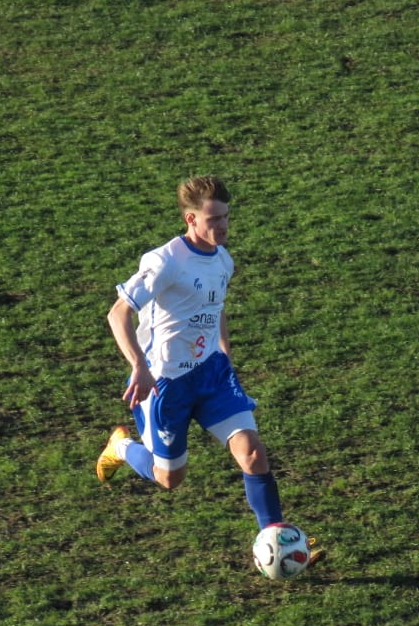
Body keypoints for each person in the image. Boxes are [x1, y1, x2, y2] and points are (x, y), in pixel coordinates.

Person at [96, 175, 302, 544]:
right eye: (213, 219)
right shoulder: (165, 262)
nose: (222, 226)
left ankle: (277, 538)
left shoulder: (223, 260)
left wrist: (225, 353)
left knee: (253, 453)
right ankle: (121, 448)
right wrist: (139, 367)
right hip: (166, 383)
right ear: (191, 219)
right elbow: (117, 314)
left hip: (212, 374)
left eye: (225, 217)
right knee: (169, 479)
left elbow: (214, 306)